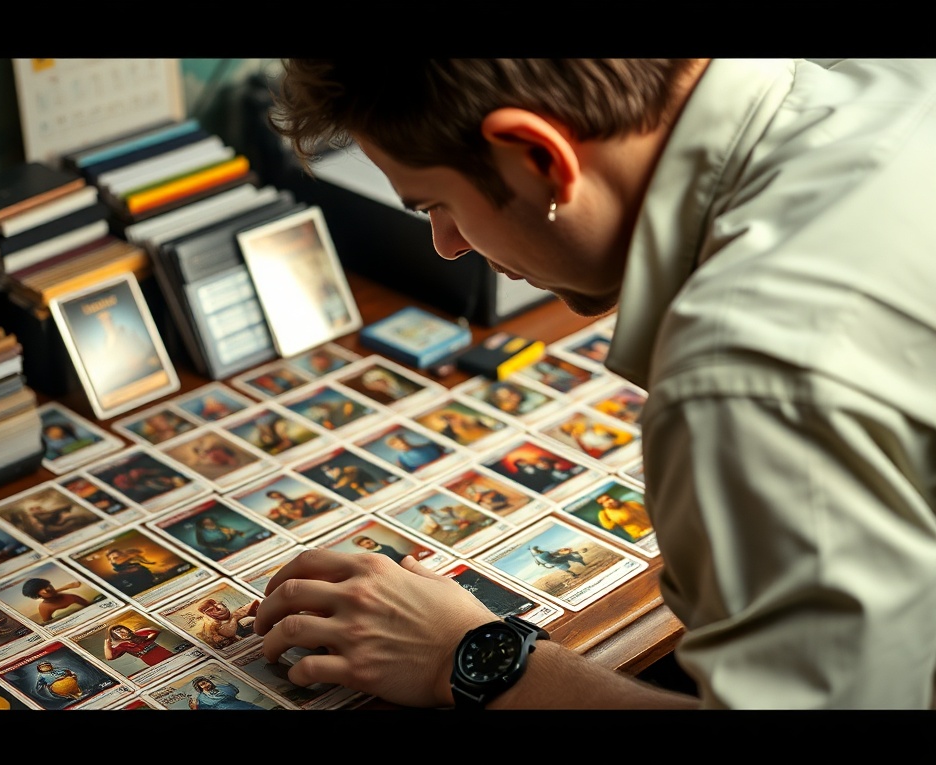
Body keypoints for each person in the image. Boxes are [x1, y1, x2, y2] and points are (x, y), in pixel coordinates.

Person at [251, 59, 936, 710]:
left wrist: (465, 656)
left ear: (541, 157)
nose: (447, 245)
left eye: (436, 203)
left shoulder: (744, 380)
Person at [20, 577, 90, 623]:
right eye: (43, 591)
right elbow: (48, 623)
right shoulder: (44, 608)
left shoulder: (69, 596)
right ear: (38, 595)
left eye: (49, 587)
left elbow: (88, 605)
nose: (48, 590)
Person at [103, 623, 175, 666]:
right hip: (153, 661)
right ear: (115, 636)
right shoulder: (123, 646)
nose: (121, 632)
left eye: (120, 629)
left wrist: (146, 639)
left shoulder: (140, 634)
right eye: (117, 632)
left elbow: (156, 630)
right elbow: (110, 657)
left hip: (164, 653)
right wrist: (107, 645)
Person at [187, 675, 266, 710]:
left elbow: (234, 690)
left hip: (246, 706)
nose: (207, 684)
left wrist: (218, 679)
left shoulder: (220, 687)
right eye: (202, 684)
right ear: (199, 688)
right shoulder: (202, 698)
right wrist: (194, 707)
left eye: (207, 682)